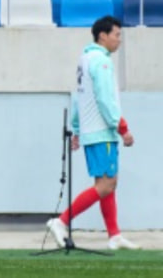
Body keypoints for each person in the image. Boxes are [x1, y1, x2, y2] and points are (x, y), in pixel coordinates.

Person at [45, 17, 140, 252]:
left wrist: (77, 130)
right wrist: (123, 128)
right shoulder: (102, 62)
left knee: (106, 183)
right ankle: (61, 221)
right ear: (103, 36)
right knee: (107, 184)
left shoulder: (85, 60)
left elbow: (79, 98)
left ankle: (114, 235)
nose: (119, 39)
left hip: (91, 132)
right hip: (102, 132)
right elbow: (106, 100)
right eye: (117, 34)